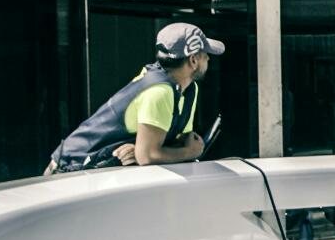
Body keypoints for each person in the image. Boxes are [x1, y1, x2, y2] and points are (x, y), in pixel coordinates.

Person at [45, 23, 222, 174]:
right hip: (71, 167)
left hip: (96, 169)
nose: (208, 57)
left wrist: (141, 149)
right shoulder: (159, 91)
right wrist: (190, 152)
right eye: (205, 53)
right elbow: (149, 156)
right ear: (193, 60)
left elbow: (179, 141)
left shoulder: (188, 89)